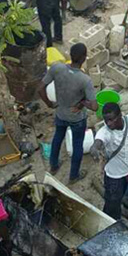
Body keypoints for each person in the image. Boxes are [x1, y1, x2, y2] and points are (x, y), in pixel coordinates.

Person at [38, 43, 98, 184]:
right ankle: (73, 176)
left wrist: (49, 104)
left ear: (70, 55)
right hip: (76, 117)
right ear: (84, 58)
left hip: (60, 112)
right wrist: (82, 102)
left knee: (58, 137)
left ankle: (53, 166)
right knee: (78, 145)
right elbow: (94, 107)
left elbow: (40, 88)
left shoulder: (57, 68)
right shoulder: (85, 79)